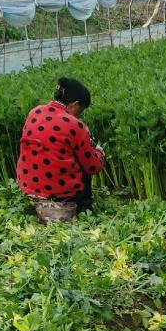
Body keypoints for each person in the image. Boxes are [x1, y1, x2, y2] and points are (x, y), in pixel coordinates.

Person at [17, 78, 105, 224]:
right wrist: (100, 153)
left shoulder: (34, 112)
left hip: (30, 189)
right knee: (84, 164)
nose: (80, 115)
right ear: (75, 105)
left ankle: (43, 206)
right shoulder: (74, 124)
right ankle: (84, 210)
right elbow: (92, 166)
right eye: (81, 111)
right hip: (60, 193)